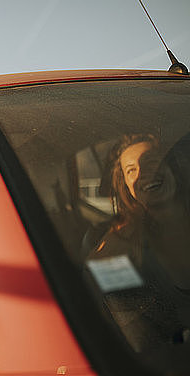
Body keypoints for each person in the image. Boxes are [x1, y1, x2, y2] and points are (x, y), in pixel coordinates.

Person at [86, 133, 190, 352]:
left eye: (151, 161)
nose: (143, 173)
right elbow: (141, 344)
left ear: (174, 167)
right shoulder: (120, 246)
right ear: (126, 186)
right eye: (131, 170)